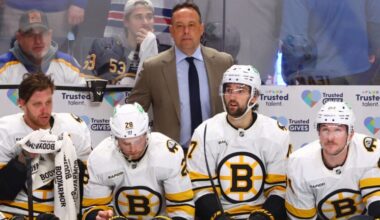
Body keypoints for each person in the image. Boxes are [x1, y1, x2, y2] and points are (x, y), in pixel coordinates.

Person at [186, 65, 291, 219]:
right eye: (228, 90)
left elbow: (280, 187)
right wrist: (217, 216)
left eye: (240, 91)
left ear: (254, 97)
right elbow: (200, 186)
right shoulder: (205, 132)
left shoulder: (276, 133)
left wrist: (264, 216)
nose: (232, 97)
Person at [127, 2, 234, 149]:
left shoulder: (223, 63)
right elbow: (132, 111)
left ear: (201, 28)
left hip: (215, 153)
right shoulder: (153, 68)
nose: (186, 31)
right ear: (171, 30)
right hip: (169, 156)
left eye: (191, 25)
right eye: (179, 26)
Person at [0, 73, 92, 219]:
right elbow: (2, 193)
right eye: (37, 104)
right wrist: (22, 160)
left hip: (60, 214)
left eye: (48, 102)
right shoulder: (4, 131)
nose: (45, 110)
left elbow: (88, 186)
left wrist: (71, 161)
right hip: (16, 212)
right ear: (21, 103)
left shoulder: (74, 128)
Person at [82, 103, 194, 219]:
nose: (133, 149)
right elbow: (91, 208)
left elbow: (183, 207)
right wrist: (98, 217)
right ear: (115, 139)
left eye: (138, 141)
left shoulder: (169, 153)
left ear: (147, 133)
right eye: (126, 143)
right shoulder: (99, 158)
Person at [285, 101, 380, 219]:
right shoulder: (299, 163)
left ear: (350, 134)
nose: (330, 138)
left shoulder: (371, 151)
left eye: (337, 130)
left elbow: (376, 203)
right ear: (318, 133)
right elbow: (303, 218)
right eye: (325, 129)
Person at [281, 0, 380, 85]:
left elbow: (295, 43)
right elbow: (375, 22)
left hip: (316, 77)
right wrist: (372, 51)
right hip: (359, 71)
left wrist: (290, 77)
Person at [0, 9, 87, 85]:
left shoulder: (69, 64)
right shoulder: (3, 66)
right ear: (19, 38)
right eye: (31, 35)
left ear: (50, 35)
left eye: (43, 34)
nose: (38, 41)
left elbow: (83, 101)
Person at [83, 0, 159, 86]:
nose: (145, 22)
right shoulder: (103, 47)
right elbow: (91, 86)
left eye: (149, 17)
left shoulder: (163, 52)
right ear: (126, 22)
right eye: (138, 17)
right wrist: (138, 50)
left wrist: (149, 48)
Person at [0, 0, 86, 46]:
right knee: (14, 56)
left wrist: (78, 2)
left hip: (56, 11)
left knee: (55, 57)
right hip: (15, 10)